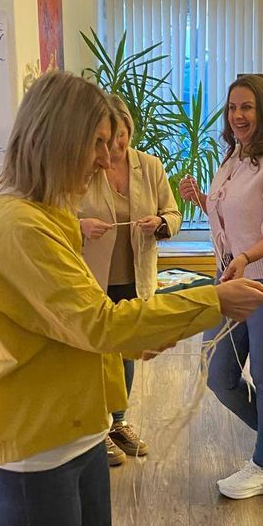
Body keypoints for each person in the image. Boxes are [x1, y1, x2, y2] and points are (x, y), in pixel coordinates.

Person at [0, 72, 263, 526]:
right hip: (35, 448)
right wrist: (211, 301)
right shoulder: (19, 225)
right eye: (99, 144)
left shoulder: (49, 214)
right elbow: (98, 323)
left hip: (77, 430)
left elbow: (88, 329)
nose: (108, 160)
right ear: (58, 138)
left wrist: (139, 339)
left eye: (113, 143)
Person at [178, 75, 263, 500]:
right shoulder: (235, 156)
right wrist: (202, 200)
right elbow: (238, 216)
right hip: (233, 279)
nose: (238, 115)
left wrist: (247, 258)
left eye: (247, 107)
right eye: (233, 107)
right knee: (220, 376)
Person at [79, 94, 181, 466]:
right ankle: (96, 429)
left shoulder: (149, 166)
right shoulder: (83, 167)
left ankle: (118, 422)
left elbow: (172, 212)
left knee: (126, 351)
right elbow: (55, 217)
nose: (117, 146)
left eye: (122, 136)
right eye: (108, 138)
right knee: (95, 352)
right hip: (92, 277)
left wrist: (161, 223)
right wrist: (81, 226)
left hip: (134, 277)